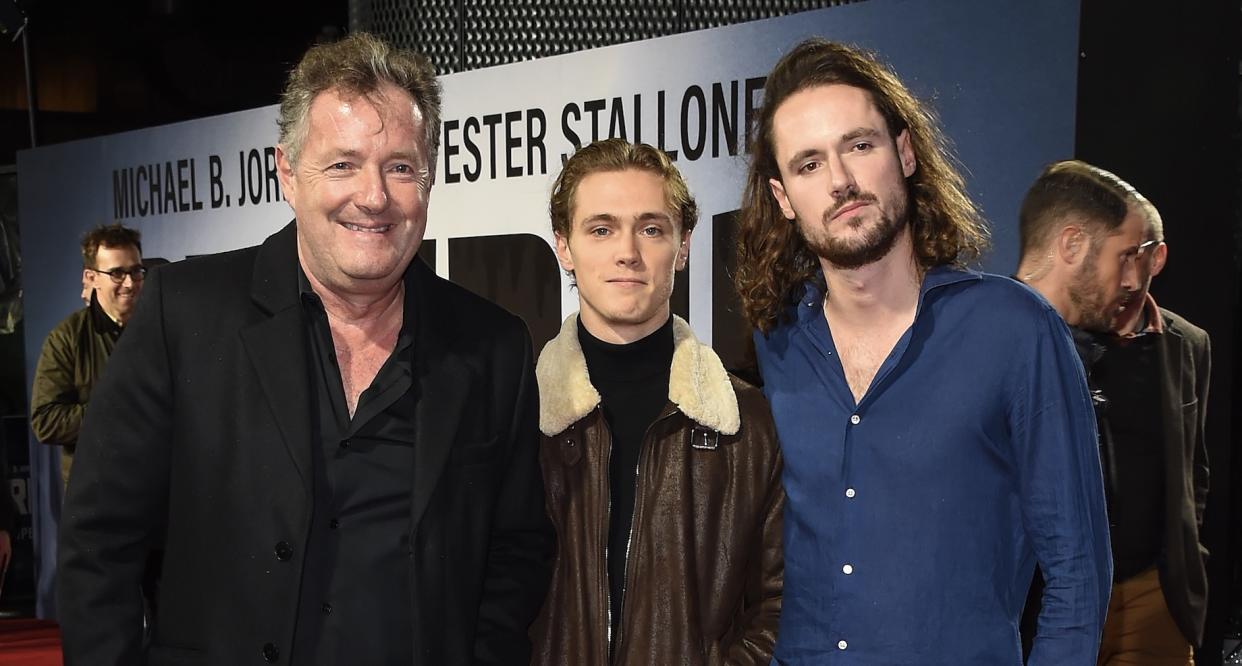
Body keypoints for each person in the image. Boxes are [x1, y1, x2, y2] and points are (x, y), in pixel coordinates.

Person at [57, 33, 552, 665]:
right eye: (342, 164)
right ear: (287, 173)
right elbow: (99, 542)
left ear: (429, 179)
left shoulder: (492, 346)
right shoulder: (183, 312)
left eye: (400, 166)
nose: (373, 197)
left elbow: (514, 552)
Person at [733, 38, 1112, 664]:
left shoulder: (1013, 330)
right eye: (808, 164)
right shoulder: (779, 344)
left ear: (904, 151)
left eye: (860, 145)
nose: (841, 181)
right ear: (782, 199)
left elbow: (1077, 573)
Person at [529, 139, 784, 664]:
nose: (628, 251)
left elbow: (780, 609)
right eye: (601, 229)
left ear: (683, 245)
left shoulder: (749, 423)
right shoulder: (515, 416)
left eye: (651, 228)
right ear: (563, 246)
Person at [1017, 160, 1210, 665]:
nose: (1130, 279)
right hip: (1043, 602)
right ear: (1073, 245)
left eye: (1139, 257)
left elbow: (1195, 471)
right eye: (1123, 255)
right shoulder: (1019, 339)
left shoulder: (1186, 344)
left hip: (1151, 595)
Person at [31, 223, 144, 488]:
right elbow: (45, 421)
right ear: (91, 277)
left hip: (159, 492)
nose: (129, 283)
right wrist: (114, 412)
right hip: (97, 494)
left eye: (136, 271)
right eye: (117, 273)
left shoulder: (162, 328)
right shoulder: (67, 338)